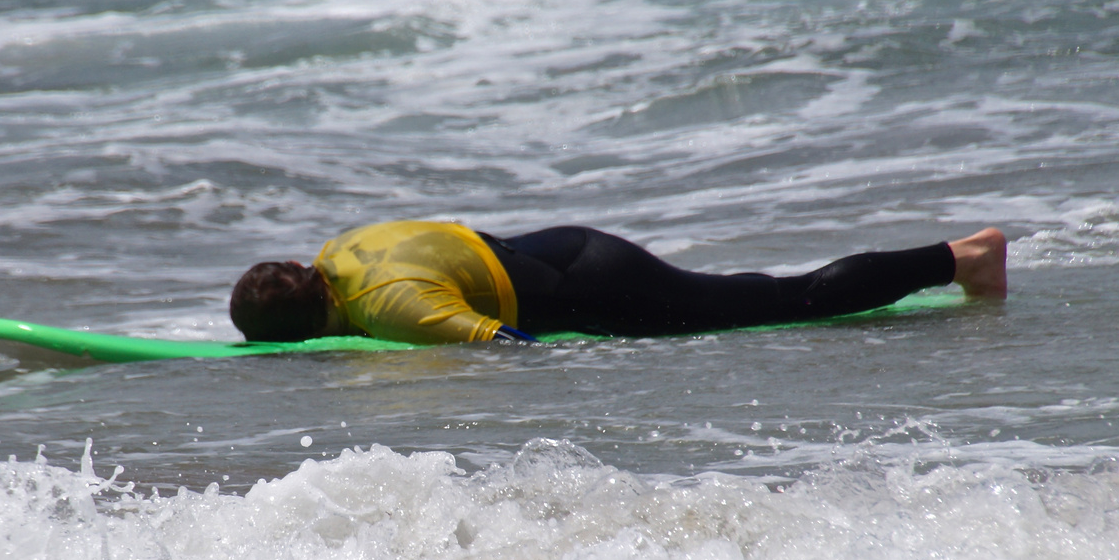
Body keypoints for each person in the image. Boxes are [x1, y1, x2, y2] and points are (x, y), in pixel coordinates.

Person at [228, 220, 1006, 344]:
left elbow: (509, 344)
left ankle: (963, 257)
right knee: (760, 291)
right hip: (566, 247)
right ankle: (957, 260)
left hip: (595, 289)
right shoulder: (342, 248)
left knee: (783, 303)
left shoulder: (383, 305)